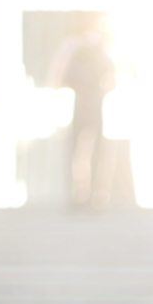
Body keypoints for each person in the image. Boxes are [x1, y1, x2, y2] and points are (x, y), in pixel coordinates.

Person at [51, 18, 116, 210]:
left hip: (83, 104)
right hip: (93, 104)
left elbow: (61, 79)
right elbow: (112, 78)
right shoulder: (98, 51)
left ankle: (80, 194)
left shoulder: (77, 51)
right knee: (93, 151)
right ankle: (95, 194)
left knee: (76, 151)